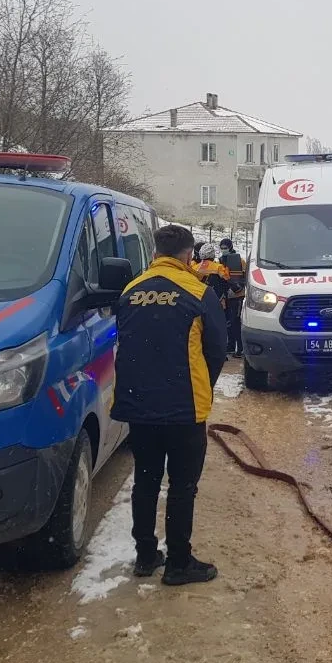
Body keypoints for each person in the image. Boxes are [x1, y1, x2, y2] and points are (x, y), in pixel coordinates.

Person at [112, 224, 228, 585]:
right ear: (188, 255)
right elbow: (218, 350)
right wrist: (200, 388)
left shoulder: (130, 291)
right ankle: (179, 563)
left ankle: (145, 555)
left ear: (156, 251)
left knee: (145, 481)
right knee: (182, 486)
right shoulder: (198, 291)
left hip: (139, 406)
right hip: (183, 408)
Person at [219, 238, 247, 357]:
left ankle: (240, 348)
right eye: (222, 247)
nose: (223, 250)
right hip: (226, 296)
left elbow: (245, 276)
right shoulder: (220, 261)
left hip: (237, 295)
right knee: (228, 322)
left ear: (230, 247)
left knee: (236, 322)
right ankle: (230, 347)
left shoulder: (240, 261)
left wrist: (239, 287)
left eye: (225, 247)